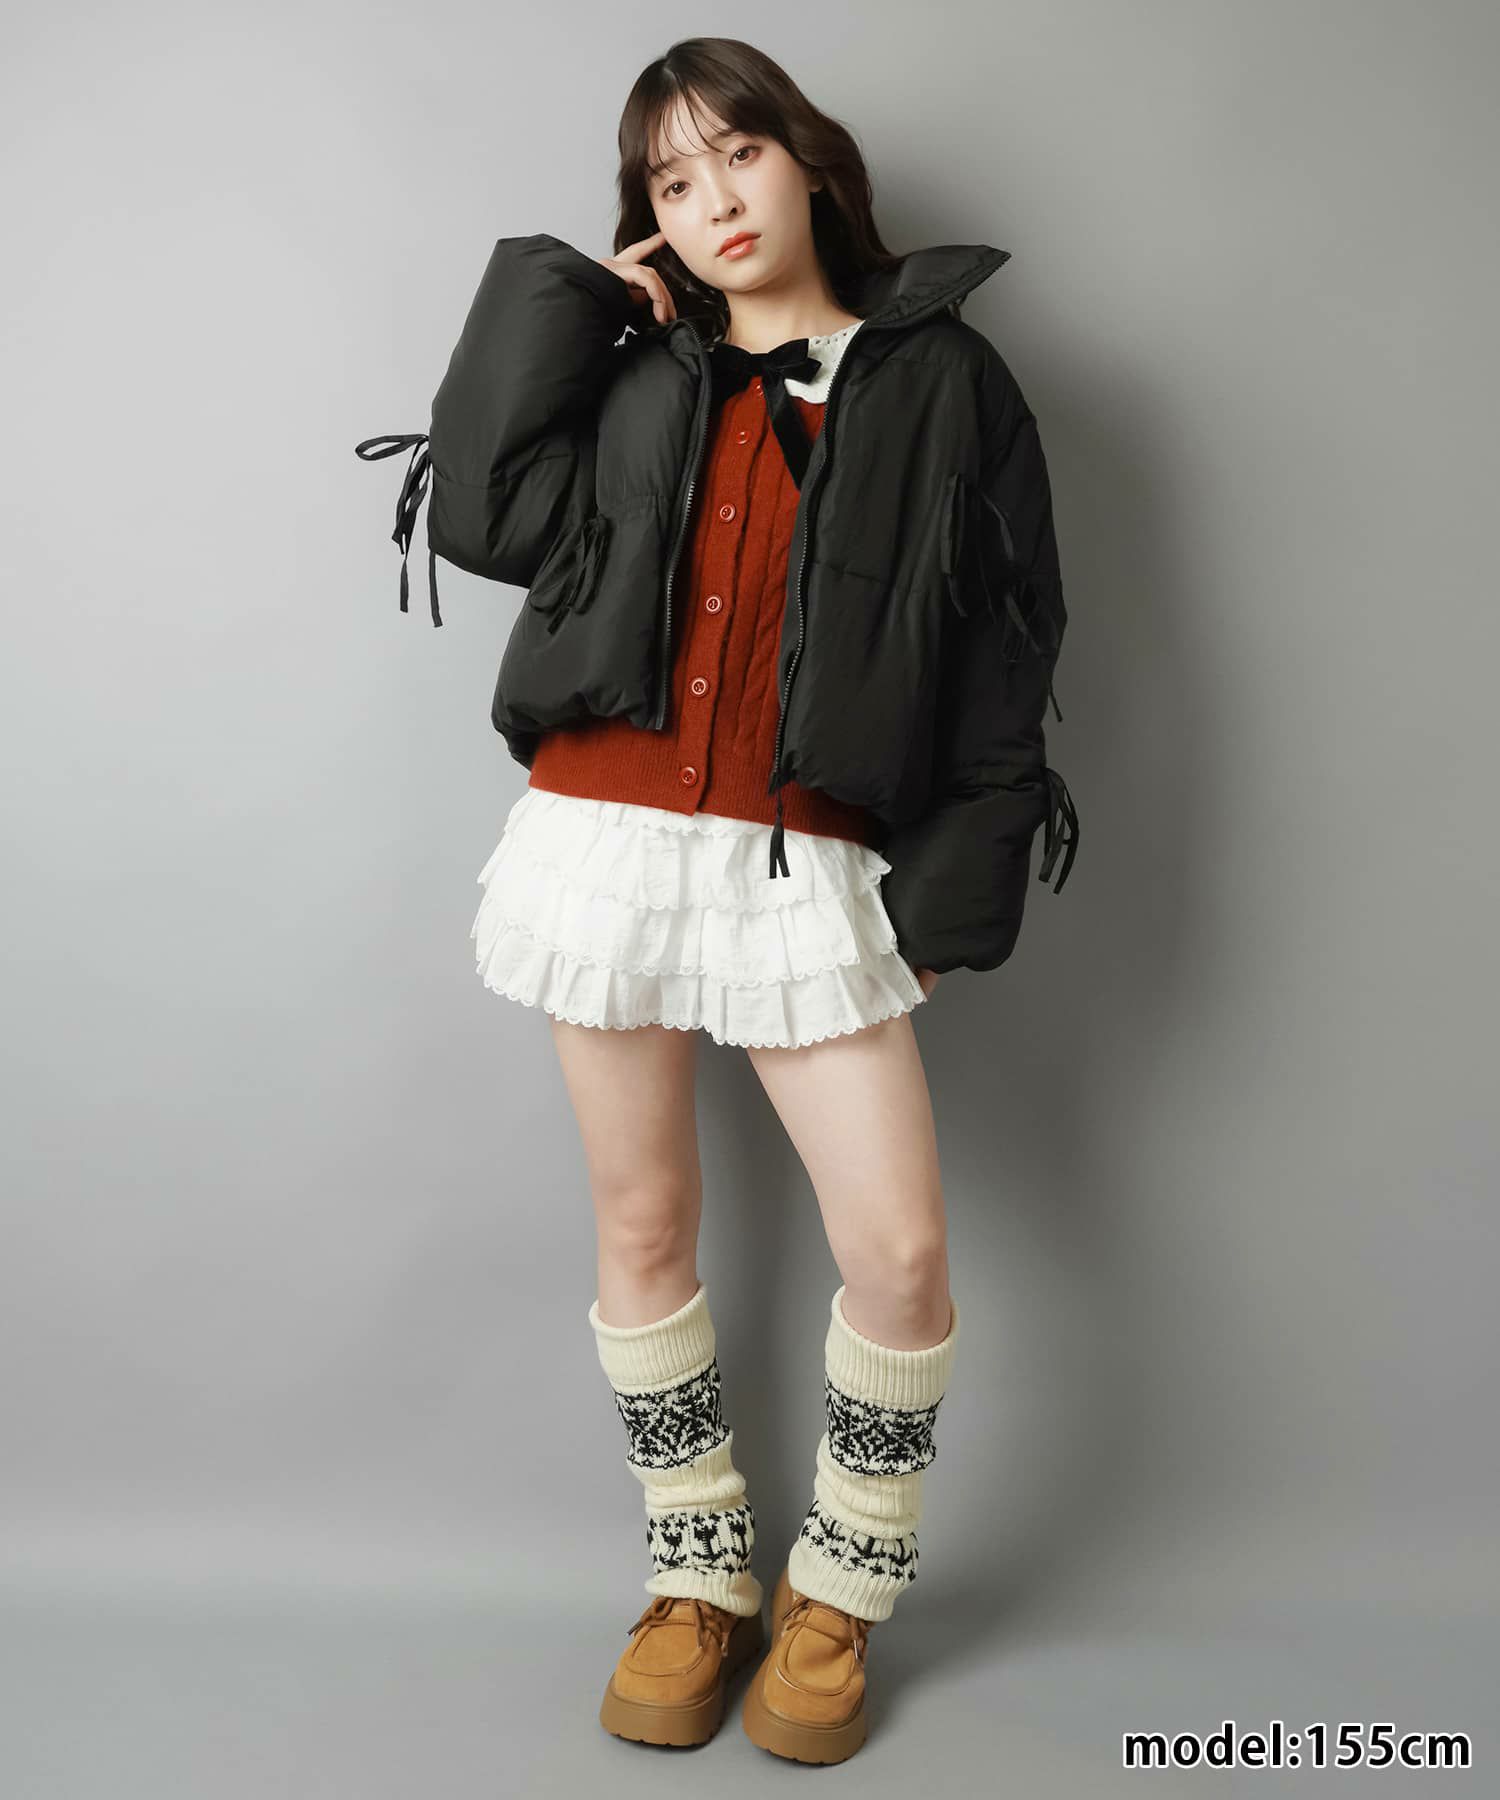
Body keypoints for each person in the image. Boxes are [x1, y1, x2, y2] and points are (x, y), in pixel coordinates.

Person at [355, 34, 1078, 1766]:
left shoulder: (943, 382)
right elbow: (480, 515)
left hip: (800, 853)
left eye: (737, 155)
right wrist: (569, 310)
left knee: (899, 1251)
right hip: (601, 835)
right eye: (672, 181)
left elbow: (1007, 645)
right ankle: (697, 1574)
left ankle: (842, 1583)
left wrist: (951, 894)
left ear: (807, 159)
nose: (714, 201)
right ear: (652, 220)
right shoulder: (633, 372)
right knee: (643, 1227)